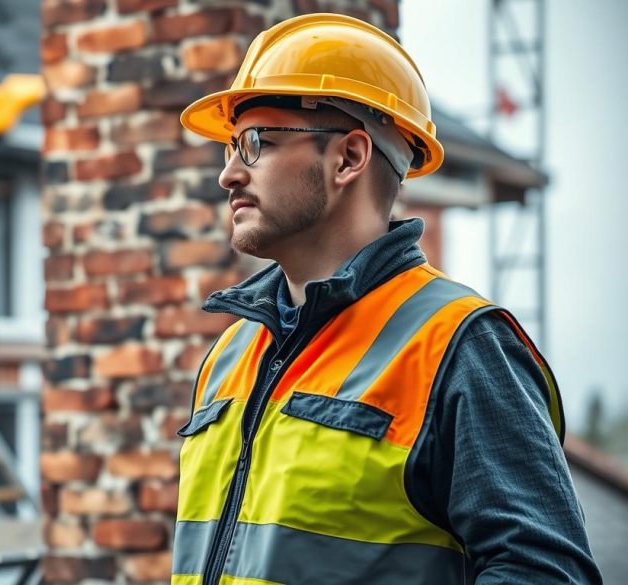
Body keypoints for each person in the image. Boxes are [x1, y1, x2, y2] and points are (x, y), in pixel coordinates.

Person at [171, 12, 602, 585]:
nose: (228, 174)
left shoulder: (458, 345)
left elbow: (545, 573)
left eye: (256, 143)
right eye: (230, 146)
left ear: (349, 158)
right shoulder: (231, 353)